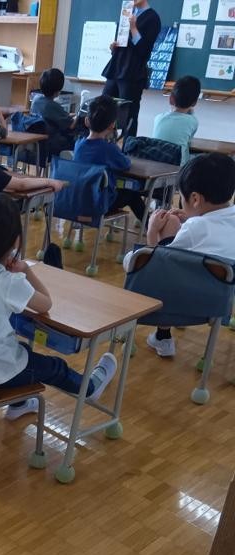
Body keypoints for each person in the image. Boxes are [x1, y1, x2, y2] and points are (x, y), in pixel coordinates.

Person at [0, 193, 117, 420]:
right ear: (15, 242)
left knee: (19, 350)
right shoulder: (8, 282)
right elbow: (46, 303)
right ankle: (90, 389)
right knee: (55, 367)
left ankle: (19, 404)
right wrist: (26, 270)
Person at [126, 152, 235, 357]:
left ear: (195, 198)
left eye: (181, 198)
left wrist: (152, 232)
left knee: (134, 260)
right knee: (174, 228)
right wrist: (194, 217)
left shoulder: (195, 228)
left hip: (183, 300)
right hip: (218, 303)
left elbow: (158, 265)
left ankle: (162, 336)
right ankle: (163, 338)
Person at [74, 95, 145, 222]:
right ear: (112, 126)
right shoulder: (108, 149)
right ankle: (150, 224)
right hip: (99, 204)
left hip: (77, 201)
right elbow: (126, 164)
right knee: (132, 194)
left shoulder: (78, 144)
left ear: (86, 121)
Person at [102, 0, 161, 139]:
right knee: (103, 108)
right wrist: (114, 47)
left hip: (132, 73)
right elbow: (124, 43)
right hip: (116, 68)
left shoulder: (152, 18)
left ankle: (128, 147)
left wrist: (133, 27)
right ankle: (103, 143)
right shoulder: (128, 12)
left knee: (128, 115)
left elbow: (144, 50)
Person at [152, 75, 201, 165]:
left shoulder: (158, 117)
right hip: (177, 167)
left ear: (171, 99)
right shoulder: (193, 121)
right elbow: (188, 141)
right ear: (194, 103)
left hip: (154, 161)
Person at [30, 68, 76, 155]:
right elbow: (71, 125)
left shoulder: (36, 100)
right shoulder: (52, 105)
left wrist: (71, 115)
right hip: (52, 142)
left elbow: (58, 116)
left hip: (38, 141)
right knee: (77, 140)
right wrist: (79, 116)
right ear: (57, 90)